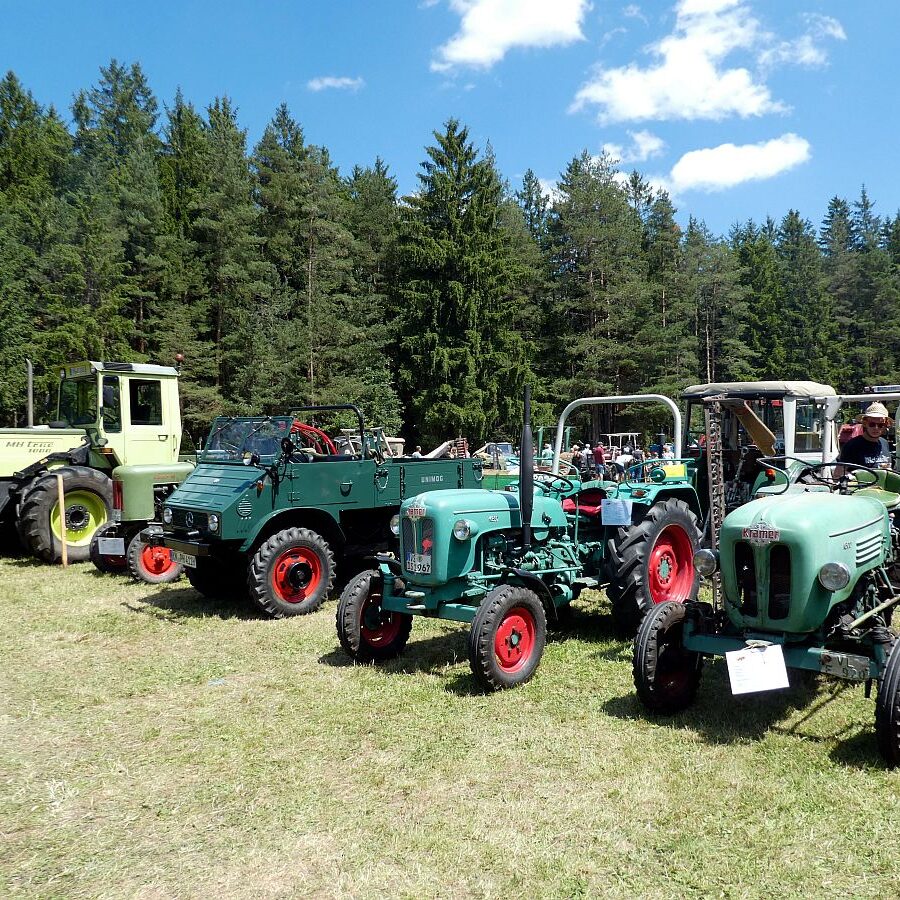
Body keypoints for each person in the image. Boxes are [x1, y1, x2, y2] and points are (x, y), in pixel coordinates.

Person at [837, 401, 892, 470]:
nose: (876, 428)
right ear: (865, 423)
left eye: (880, 425)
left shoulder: (884, 443)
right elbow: (838, 474)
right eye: (872, 424)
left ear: (885, 426)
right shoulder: (852, 445)